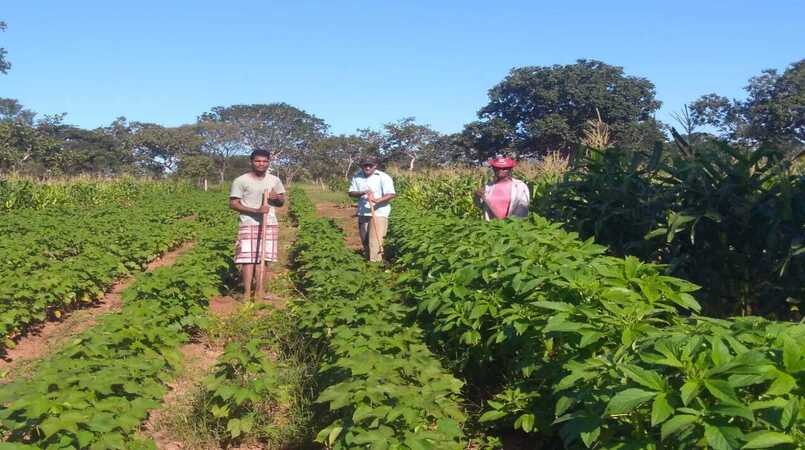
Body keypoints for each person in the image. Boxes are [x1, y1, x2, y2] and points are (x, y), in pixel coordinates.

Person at [229, 149, 286, 299]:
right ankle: (247, 293)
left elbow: (281, 202)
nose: (262, 164)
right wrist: (256, 210)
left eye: (265, 161)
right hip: (248, 223)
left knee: (265, 258)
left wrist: (276, 198)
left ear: (269, 162)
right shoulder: (241, 181)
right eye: (258, 161)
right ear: (251, 162)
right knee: (247, 259)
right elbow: (234, 204)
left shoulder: (274, 180)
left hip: (270, 223)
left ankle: (261, 292)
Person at [348, 157, 396, 262]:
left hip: (379, 212)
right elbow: (351, 192)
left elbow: (391, 194)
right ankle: (368, 261)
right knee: (365, 241)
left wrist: (378, 200)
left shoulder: (383, 177)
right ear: (361, 166)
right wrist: (362, 192)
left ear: (375, 165)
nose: (368, 167)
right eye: (365, 165)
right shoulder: (357, 176)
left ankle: (375, 265)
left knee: (374, 242)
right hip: (363, 212)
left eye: (370, 165)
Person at [474, 155, 530, 220]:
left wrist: (511, 222)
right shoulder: (489, 186)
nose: (500, 170)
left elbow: (523, 207)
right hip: (492, 226)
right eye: (497, 168)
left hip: (514, 225)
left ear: (510, 170)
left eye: (504, 168)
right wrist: (477, 196)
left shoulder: (520, 186)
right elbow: (480, 205)